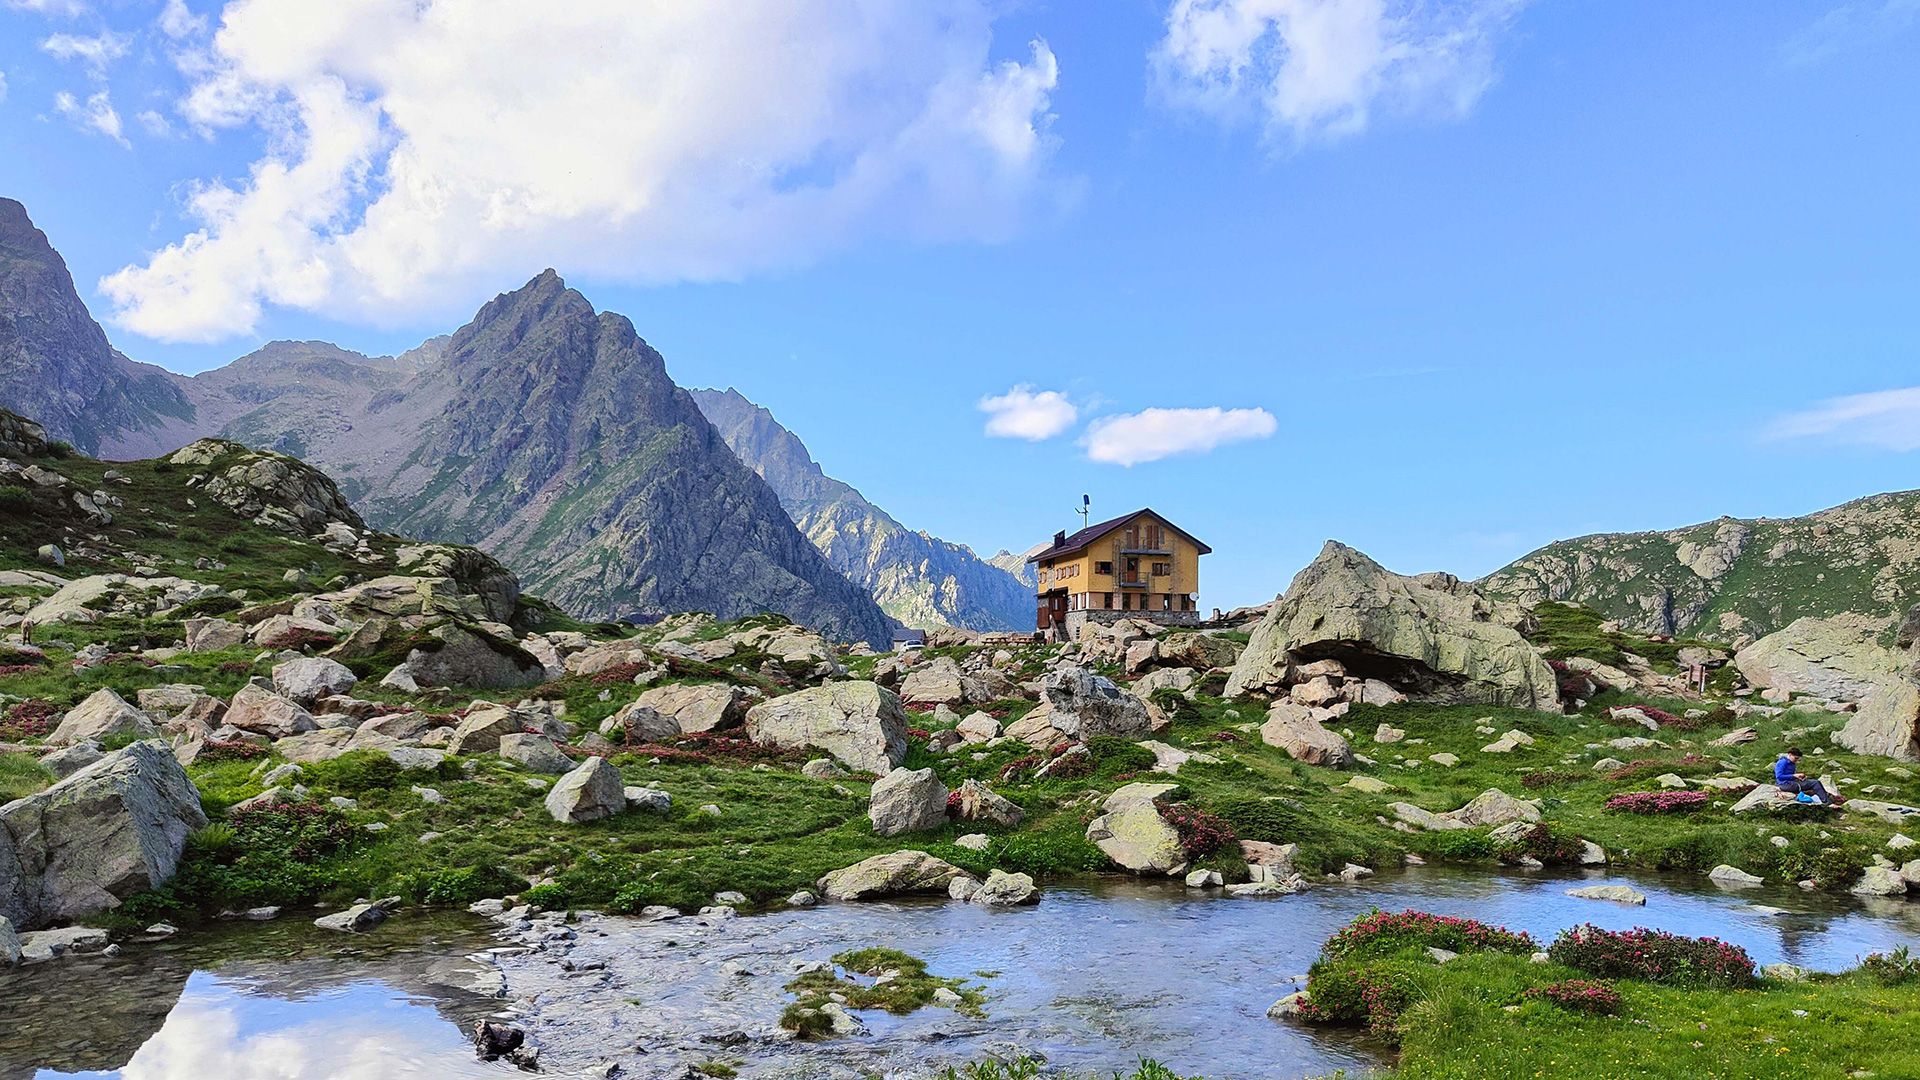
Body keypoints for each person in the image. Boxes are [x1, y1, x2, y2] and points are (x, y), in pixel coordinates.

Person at [1774, 747, 1845, 805]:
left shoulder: (1791, 763)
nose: (1796, 760)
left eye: (1798, 759)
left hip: (1791, 783)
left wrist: (1799, 777)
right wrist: (1794, 775)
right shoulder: (1782, 762)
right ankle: (1828, 803)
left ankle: (1827, 798)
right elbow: (1779, 776)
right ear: (1789, 755)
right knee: (1815, 783)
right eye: (1795, 758)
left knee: (1812, 784)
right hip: (1786, 784)